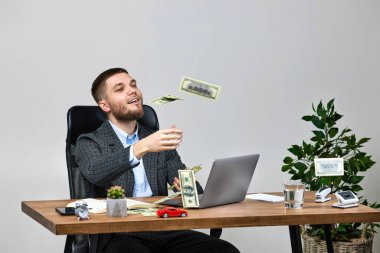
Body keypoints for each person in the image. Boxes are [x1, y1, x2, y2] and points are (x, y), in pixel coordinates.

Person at [75, 67, 240, 253]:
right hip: (118, 234)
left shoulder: (157, 140)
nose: (132, 90)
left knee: (225, 251)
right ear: (105, 105)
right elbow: (96, 172)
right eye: (120, 89)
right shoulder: (89, 141)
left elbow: (191, 189)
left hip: (164, 227)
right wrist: (141, 147)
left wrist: (188, 187)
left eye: (133, 84)